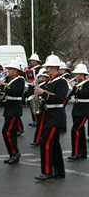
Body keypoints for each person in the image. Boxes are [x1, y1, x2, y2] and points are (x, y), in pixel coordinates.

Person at [33, 53, 67, 181]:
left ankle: (47, 171)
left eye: (50, 68)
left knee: (45, 143)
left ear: (56, 68)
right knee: (55, 144)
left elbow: (59, 98)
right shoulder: (50, 81)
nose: (47, 70)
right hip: (48, 115)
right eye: (47, 67)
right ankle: (59, 171)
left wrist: (44, 93)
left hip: (56, 116)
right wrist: (40, 101)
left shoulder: (62, 82)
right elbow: (48, 98)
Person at [0, 60, 25, 164]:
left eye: (11, 69)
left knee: (6, 131)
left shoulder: (20, 80)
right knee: (10, 133)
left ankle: (15, 153)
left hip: (14, 108)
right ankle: (13, 154)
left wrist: (2, 85)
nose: (8, 71)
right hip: (9, 107)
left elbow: (14, 91)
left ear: (16, 70)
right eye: (8, 69)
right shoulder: (10, 79)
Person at [67, 63, 89, 161]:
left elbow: (84, 94)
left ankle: (75, 152)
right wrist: (69, 87)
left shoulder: (87, 83)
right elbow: (69, 94)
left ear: (84, 74)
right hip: (77, 108)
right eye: (77, 74)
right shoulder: (77, 83)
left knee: (75, 130)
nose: (77, 76)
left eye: (79, 74)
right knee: (80, 131)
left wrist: (75, 87)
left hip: (85, 109)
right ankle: (83, 152)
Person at [30, 68, 49, 146]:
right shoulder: (39, 84)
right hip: (39, 103)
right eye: (40, 76)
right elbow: (31, 93)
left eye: (42, 76)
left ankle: (37, 140)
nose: (40, 78)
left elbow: (45, 94)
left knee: (41, 124)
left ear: (45, 77)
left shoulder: (46, 84)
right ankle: (37, 139)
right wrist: (32, 86)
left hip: (42, 104)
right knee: (39, 123)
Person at [26, 54, 43, 127]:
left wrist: (36, 80)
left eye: (32, 60)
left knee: (36, 104)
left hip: (36, 87)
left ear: (36, 61)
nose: (31, 62)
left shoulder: (40, 68)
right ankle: (34, 120)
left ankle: (37, 120)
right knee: (31, 104)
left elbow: (41, 78)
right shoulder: (30, 68)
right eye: (30, 61)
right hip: (31, 87)